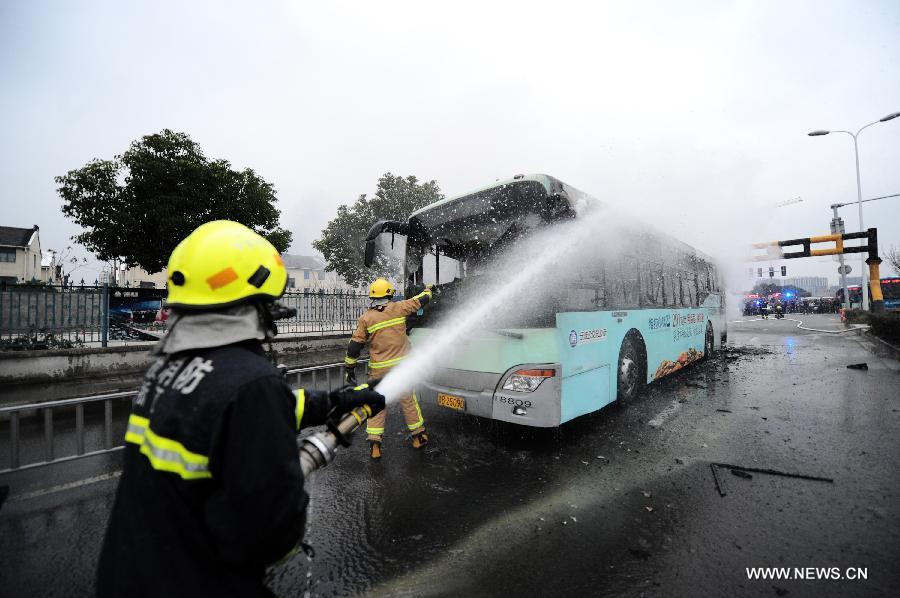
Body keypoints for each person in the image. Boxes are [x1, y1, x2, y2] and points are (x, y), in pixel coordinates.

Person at [97, 221, 384, 598]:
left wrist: (333, 402)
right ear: (254, 304)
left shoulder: (168, 368)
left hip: (127, 577)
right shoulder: (250, 383)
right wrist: (289, 476)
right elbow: (268, 538)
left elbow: (221, 414)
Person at [344, 278, 433, 459]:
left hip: (379, 371)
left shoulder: (366, 318)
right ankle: (419, 437)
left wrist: (350, 369)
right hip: (401, 369)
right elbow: (422, 300)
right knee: (408, 401)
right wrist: (429, 290)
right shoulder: (399, 308)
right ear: (389, 294)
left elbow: (354, 347)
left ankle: (375, 445)